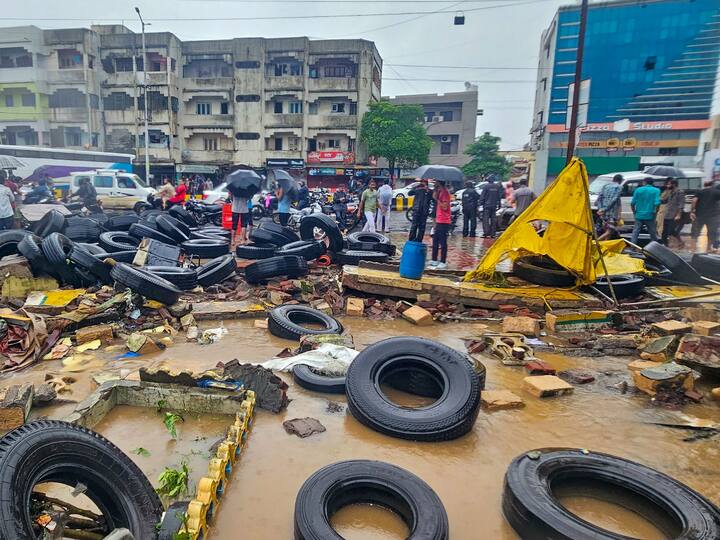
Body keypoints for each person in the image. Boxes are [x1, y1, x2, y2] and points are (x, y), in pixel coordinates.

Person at [690, 180, 720, 253]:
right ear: (712, 185)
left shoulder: (700, 192)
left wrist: (692, 211)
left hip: (699, 215)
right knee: (711, 233)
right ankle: (708, 249)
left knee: (695, 232)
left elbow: (694, 201)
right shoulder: (717, 192)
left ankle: (693, 249)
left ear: (704, 185)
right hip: (712, 216)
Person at [630, 177, 661, 244]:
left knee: (635, 232)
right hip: (650, 215)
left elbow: (632, 203)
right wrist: (656, 212)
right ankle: (655, 247)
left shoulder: (638, 190)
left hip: (639, 214)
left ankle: (633, 246)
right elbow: (657, 203)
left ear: (644, 182)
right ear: (652, 183)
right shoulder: (656, 190)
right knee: (652, 232)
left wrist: (634, 212)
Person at [429, 180, 451, 269]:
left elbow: (445, 207)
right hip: (439, 220)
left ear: (439, 182)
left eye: (436, 181)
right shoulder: (440, 192)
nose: (434, 183)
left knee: (442, 242)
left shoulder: (445, 193)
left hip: (444, 221)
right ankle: (434, 259)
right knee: (435, 240)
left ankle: (443, 261)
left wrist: (437, 200)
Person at [660, 178, 685, 248]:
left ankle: (680, 242)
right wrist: (666, 190)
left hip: (674, 214)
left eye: (669, 184)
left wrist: (679, 214)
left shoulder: (680, 192)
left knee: (671, 230)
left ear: (673, 184)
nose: (668, 185)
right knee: (664, 231)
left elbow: (681, 204)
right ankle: (665, 245)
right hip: (667, 214)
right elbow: (663, 200)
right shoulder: (670, 191)